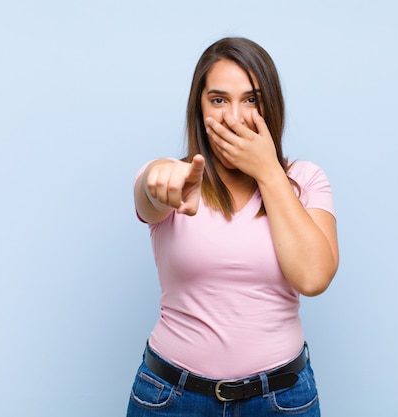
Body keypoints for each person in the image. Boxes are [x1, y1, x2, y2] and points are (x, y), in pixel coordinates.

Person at [127, 37, 339, 416]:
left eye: (251, 99)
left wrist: (268, 170)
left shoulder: (305, 180)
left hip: (280, 400)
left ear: (270, 105)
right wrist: (157, 179)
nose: (235, 117)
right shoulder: (179, 177)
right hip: (171, 398)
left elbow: (313, 277)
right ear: (200, 107)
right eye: (219, 100)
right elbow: (150, 191)